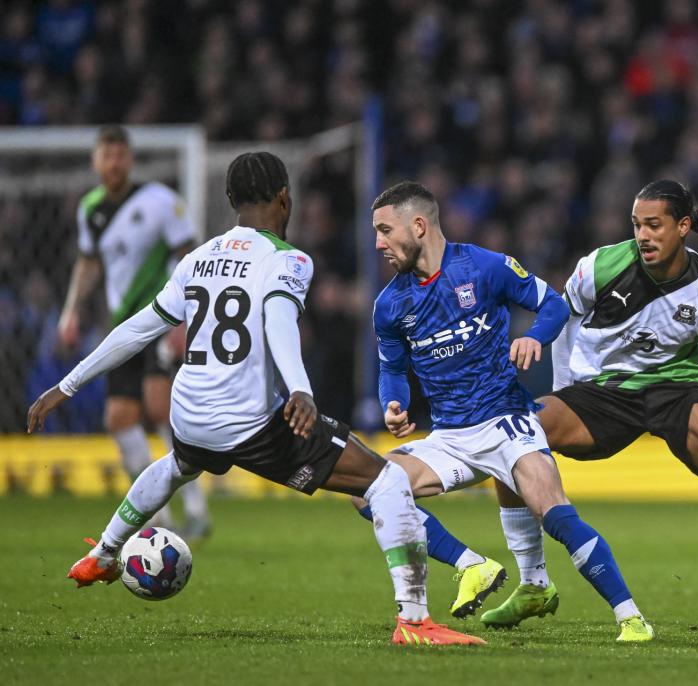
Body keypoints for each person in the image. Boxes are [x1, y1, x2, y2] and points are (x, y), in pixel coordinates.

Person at [363, 180, 698, 639]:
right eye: (636, 225)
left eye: (654, 225)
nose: (642, 235)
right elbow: (562, 312)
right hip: (600, 393)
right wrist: (563, 388)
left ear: (683, 228)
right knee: (515, 430)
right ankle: (534, 581)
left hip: (676, 392)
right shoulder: (600, 266)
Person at [27, 152, 483, 647]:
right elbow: (278, 322)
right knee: (387, 479)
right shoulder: (287, 259)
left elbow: (138, 328)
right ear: (285, 197)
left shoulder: (196, 258)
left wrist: (65, 385)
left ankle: (106, 551)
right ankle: (415, 623)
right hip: (247, 423)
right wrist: (301, 389)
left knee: (180, 463)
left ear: (230, 200)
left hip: (190, 412)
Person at [364, 181, 654, 642]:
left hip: (506, 423)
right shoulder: (390, 305)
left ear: (418, 225)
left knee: (554, 513)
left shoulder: (484, 267)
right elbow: (392, 370)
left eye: (384, 230)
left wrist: (535, 337)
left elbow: (553, 305)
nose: (377, 243)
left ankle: (630, 617)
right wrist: (392, 404)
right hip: (450, 437)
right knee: (369, 488)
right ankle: (470, 565)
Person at [58, 124, 210, 539]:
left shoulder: (159, 201)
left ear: (130, 158)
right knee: (119, 417)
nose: (114, 162)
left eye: (121, 154)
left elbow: (189, 257)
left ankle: (196, 509)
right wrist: (70, 312)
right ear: (96, 161)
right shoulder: (90, 208)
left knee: (161, 408)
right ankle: (156, 514)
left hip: (160, 319)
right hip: (122, 324)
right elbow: (88, 262)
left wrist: (184, 319)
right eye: (107, 154)